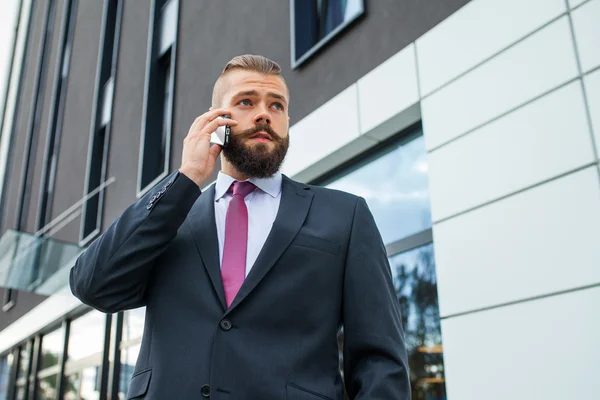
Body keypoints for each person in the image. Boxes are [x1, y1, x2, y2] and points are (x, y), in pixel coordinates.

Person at [70, 55, 410, 399]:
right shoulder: (171, 216)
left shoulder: (345, 215)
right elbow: (94, 286)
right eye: (246, 101)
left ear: (287, 121)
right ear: (215, 119)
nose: (264, 113)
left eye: (276, 105)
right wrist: (185, 178)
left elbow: (379, 360)